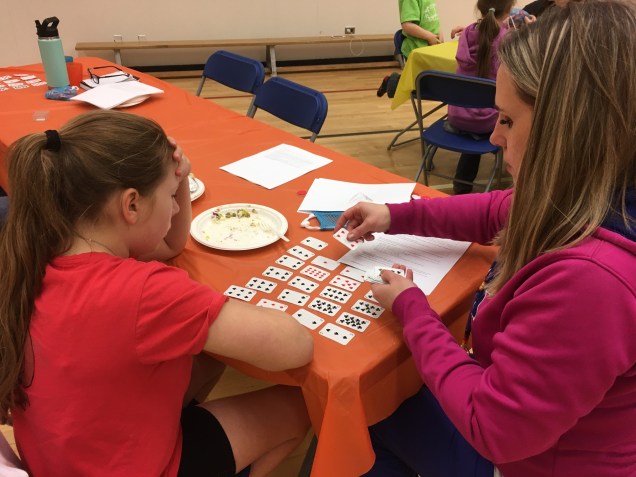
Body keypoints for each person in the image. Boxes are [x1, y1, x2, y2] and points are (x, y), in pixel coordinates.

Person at [337, 1, 636, 475]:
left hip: (530, 462)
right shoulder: (594, 191)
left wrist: (413, 308)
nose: (495, 137)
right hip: (535, 432)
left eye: (508, 120)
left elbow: (490, 425)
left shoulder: (592, 282)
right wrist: (392, 215)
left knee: (367, 417)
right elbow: (495, 209)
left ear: (568, 130)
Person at [0, 110, 314, 477]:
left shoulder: (39, 245)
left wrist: (177, 179)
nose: (178, 205)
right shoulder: (146, 291)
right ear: (131, 205)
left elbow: (170, 245)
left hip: (62, 456)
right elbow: (295, 347)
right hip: (123, 467)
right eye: (171, 195)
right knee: (301, 403)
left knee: (208, 355)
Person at [445, 0, 514, 194]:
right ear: (508, 10)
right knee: (521, 115)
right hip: (486, 123)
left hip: (457, 116)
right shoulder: (507, 39)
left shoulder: (467, 33)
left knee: (477, 108)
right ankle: (518, 179)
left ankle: (462, 184)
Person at [377, 0, 442, 98]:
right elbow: (407, 25)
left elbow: (434, 20)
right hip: (417, 49)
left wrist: (440, 36)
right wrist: (429, 37)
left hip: (431, 48)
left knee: (429, 81)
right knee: (419, 84)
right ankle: (391, 82)